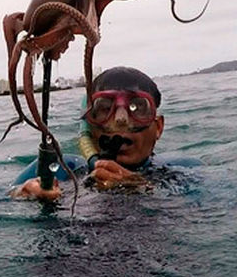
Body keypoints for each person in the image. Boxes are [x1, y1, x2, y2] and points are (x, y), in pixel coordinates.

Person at [10, 66, 194, 201]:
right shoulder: (61, 169)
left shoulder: (183, 170)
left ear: (158, 127)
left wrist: (141, 187)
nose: (120, 120)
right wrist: (23, 195)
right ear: (89, 125)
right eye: (105, 109)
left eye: (137, 108)